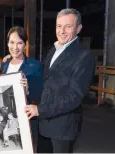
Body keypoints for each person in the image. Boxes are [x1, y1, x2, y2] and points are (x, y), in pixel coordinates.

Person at [25, 8, 95, 153]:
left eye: (68, 26)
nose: (62, 31)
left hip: (63, 128)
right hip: (44, 125)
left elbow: (74, 97)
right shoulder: (54, 50)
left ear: (78, 28)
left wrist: (40, 109)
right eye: (59, 26)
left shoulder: (84, 57)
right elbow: (45, 81)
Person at [2, 26, 43, 151]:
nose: (15, 47)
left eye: (19, 43)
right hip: (10, 115)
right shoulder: (4, 65)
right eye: (12, 42)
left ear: (25, 45)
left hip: (27, 119)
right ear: (7, 43)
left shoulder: (34, 65)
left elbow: (40, 95)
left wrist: (28, 89)